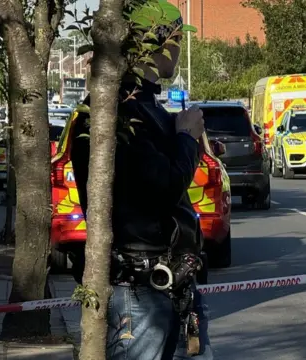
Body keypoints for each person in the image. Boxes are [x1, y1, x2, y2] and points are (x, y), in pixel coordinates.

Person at [68, 14, 213, 360]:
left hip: (165, 281)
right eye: (177, 38)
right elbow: (163, 186)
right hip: (141, 284)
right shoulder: (120, 111)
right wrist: (186, 138)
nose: (179, 49)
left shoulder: (135, 107)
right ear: (159, 41)